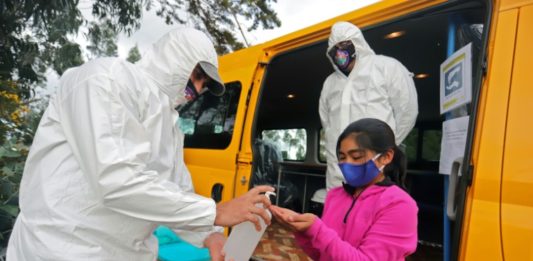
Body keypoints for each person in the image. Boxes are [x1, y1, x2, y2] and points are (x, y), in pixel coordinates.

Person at [7, 28, 274, 261]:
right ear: (175, 56)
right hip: (62, 250)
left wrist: (210, 237)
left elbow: (176, 190)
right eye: (197, 74)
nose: (197, 87)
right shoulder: (105, 80)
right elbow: (115, 181)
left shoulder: (169, 124)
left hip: (125, 253)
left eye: (203, 84)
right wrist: (214, 212)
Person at [270, 118, 418, 260]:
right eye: (342, 157)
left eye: (357, 156)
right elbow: (321, 254)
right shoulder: (335, 195)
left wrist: (318, 230)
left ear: (386, 157)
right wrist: (302, 230)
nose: (347, 164)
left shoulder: (400, 205)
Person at [319, 21, 418, 191]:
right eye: (334, 48)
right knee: (338, 216)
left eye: (344, 45)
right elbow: (327, 124)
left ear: (357, 43)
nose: (339, 52)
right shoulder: (330, 83)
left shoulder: (386, 67)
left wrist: (382, 148)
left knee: (375, 213)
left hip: (376, 169)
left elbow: (407, 112)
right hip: (337, 175)